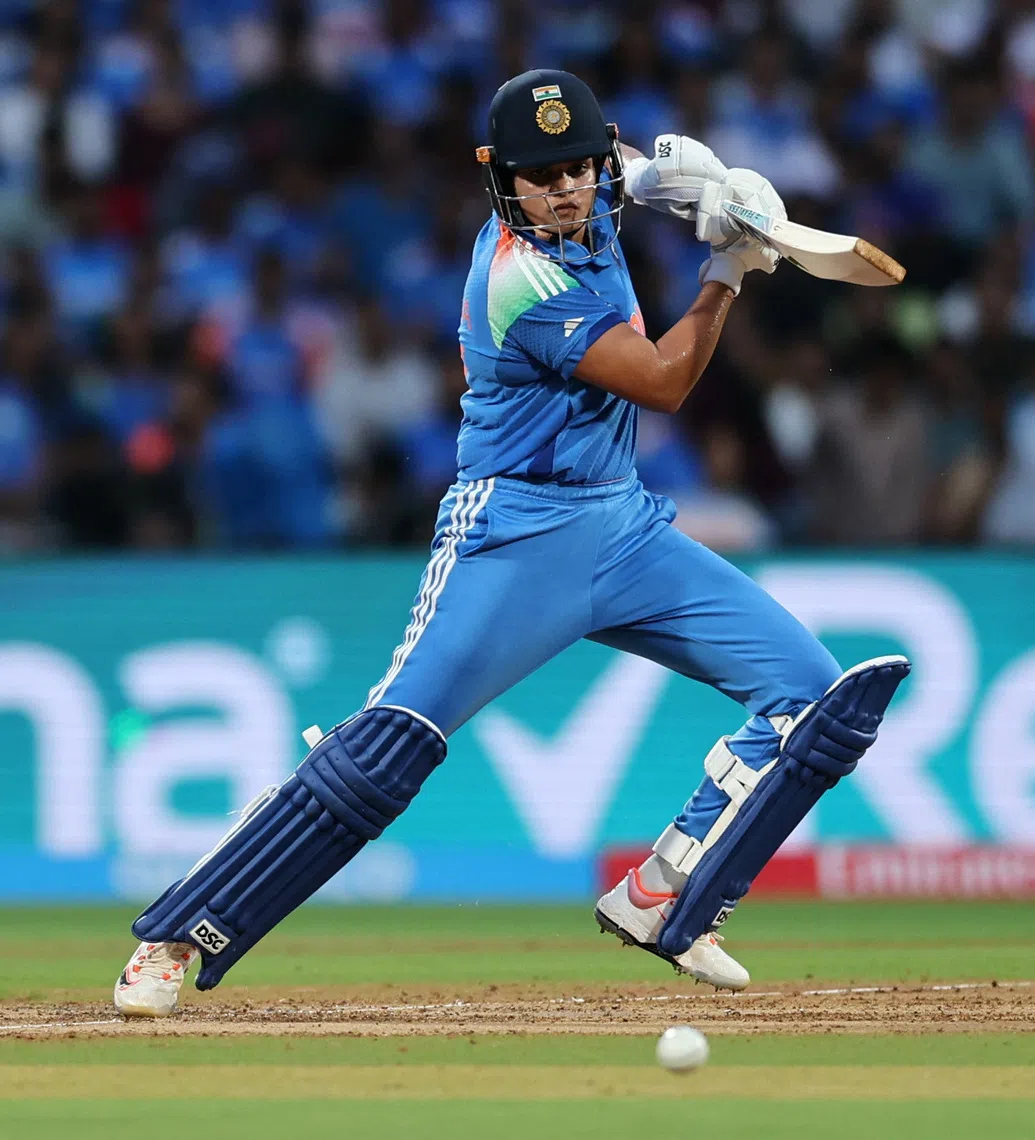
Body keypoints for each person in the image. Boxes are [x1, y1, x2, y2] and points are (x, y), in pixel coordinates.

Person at [113, 69, 909, 1017]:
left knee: (816, 699)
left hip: (624, 524)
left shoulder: (588, 185)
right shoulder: (516, 276)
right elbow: (659, 382)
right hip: (513, 537)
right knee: (386, 752)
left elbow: (645, 173)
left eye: (579, 168)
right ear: (500, 178)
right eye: (543, 177)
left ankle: (666, 896)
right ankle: (175, 935)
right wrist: (729, 268)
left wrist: (708, 183)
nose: (567, 190)